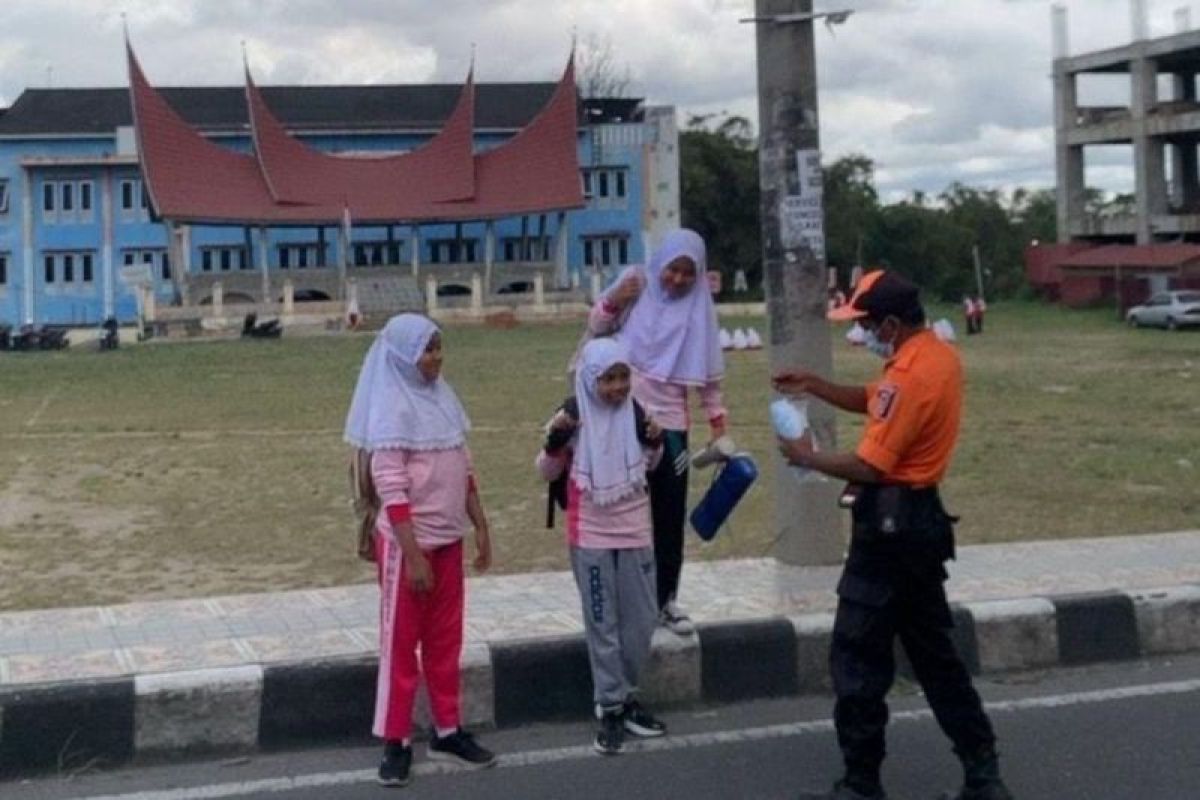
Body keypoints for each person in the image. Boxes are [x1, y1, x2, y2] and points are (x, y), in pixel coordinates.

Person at [773, 271, 1012, 800]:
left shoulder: (909, 376)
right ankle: (983, 772)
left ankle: (861, 783)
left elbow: (870, 464)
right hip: (922, 524)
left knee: (856, 655)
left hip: (889, 529)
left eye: (865, 324)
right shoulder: (937, 357)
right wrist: (815, 385)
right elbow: (875, 399)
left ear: (890, 325)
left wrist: (808, 457)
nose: (861, 333)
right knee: (934, 655)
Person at [344, 314, 496, 788]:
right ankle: (396, 739)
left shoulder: (443, 401)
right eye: (427, 350)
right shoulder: (391, 411)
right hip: (407, 548)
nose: (436, 358)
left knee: (445, 640)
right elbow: (391, 488)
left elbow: (463, 470)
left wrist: (481, 526)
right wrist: (412, 556)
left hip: (448, 542)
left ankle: (447, 729)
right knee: (400, 645)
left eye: (438, 348)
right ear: (404, 357)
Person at [587, 228, 727, 636]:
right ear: (660, 262)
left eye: (687, 272)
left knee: (668, 516)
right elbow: (597, 324)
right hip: (621, 416)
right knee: (619, 512)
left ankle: (666, 600)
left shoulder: (699, 307)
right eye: (672, 269)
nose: (678, 280)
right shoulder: (637, 282)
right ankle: (620, 601)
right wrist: (616, 297)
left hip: (671, 428)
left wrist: (718, 424)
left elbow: (709, 376)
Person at [536, 337, 668, 756]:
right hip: (590, 534)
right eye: (608, 379)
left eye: (623, 377)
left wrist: (656, 442)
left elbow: (651, 465)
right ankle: (611, 707)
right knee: (602, 623)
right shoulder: (573, 415)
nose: (617, 387)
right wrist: (555, 442)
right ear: (591, 379)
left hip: (635, 531)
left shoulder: (638, 413)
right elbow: (546, 471)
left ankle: (624, 696)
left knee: (641, 622)